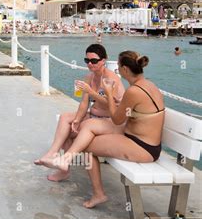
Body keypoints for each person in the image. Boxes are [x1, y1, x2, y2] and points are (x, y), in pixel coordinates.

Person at [42, 51, 164, 208]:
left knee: (85, 145)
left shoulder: (134, 91)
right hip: (137, 136)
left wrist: (107, 93)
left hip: (143, 147)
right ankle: (65, 160)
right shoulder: (148, 84)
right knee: (89, 126)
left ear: (126, 69)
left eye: (119, 67)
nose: (117, 70)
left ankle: (98, 193)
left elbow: (117, 118)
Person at [34, 44, 125, 182]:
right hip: (94, 116)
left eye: (94, 61)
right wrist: (77, 119)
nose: (90, 64)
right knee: (66, 120)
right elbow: (84, 103)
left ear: (103, 60)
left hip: (109, 120)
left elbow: (113, 105)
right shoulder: (89, 77)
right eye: (86, 60)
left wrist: (91, 92)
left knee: (69, 133)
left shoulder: (111, 78)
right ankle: (52, 155)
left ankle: (63, 165)